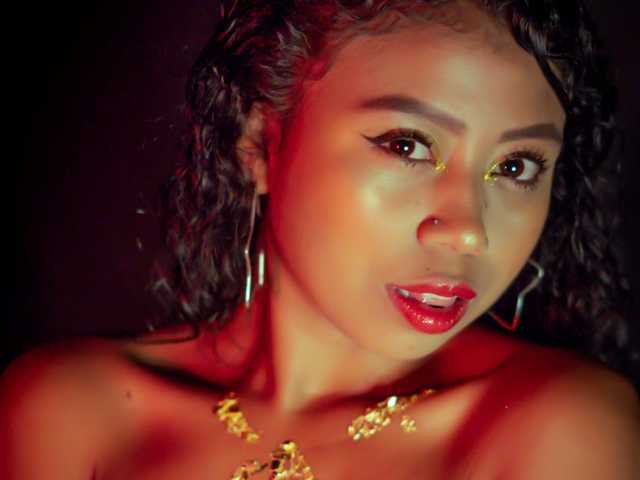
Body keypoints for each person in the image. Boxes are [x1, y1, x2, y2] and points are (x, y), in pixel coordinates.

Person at [2, 0, 639, 478]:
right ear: (259, 143)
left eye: (517, 166)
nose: (470, 229)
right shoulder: (67, 414)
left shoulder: (560, 427)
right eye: (408, 146)